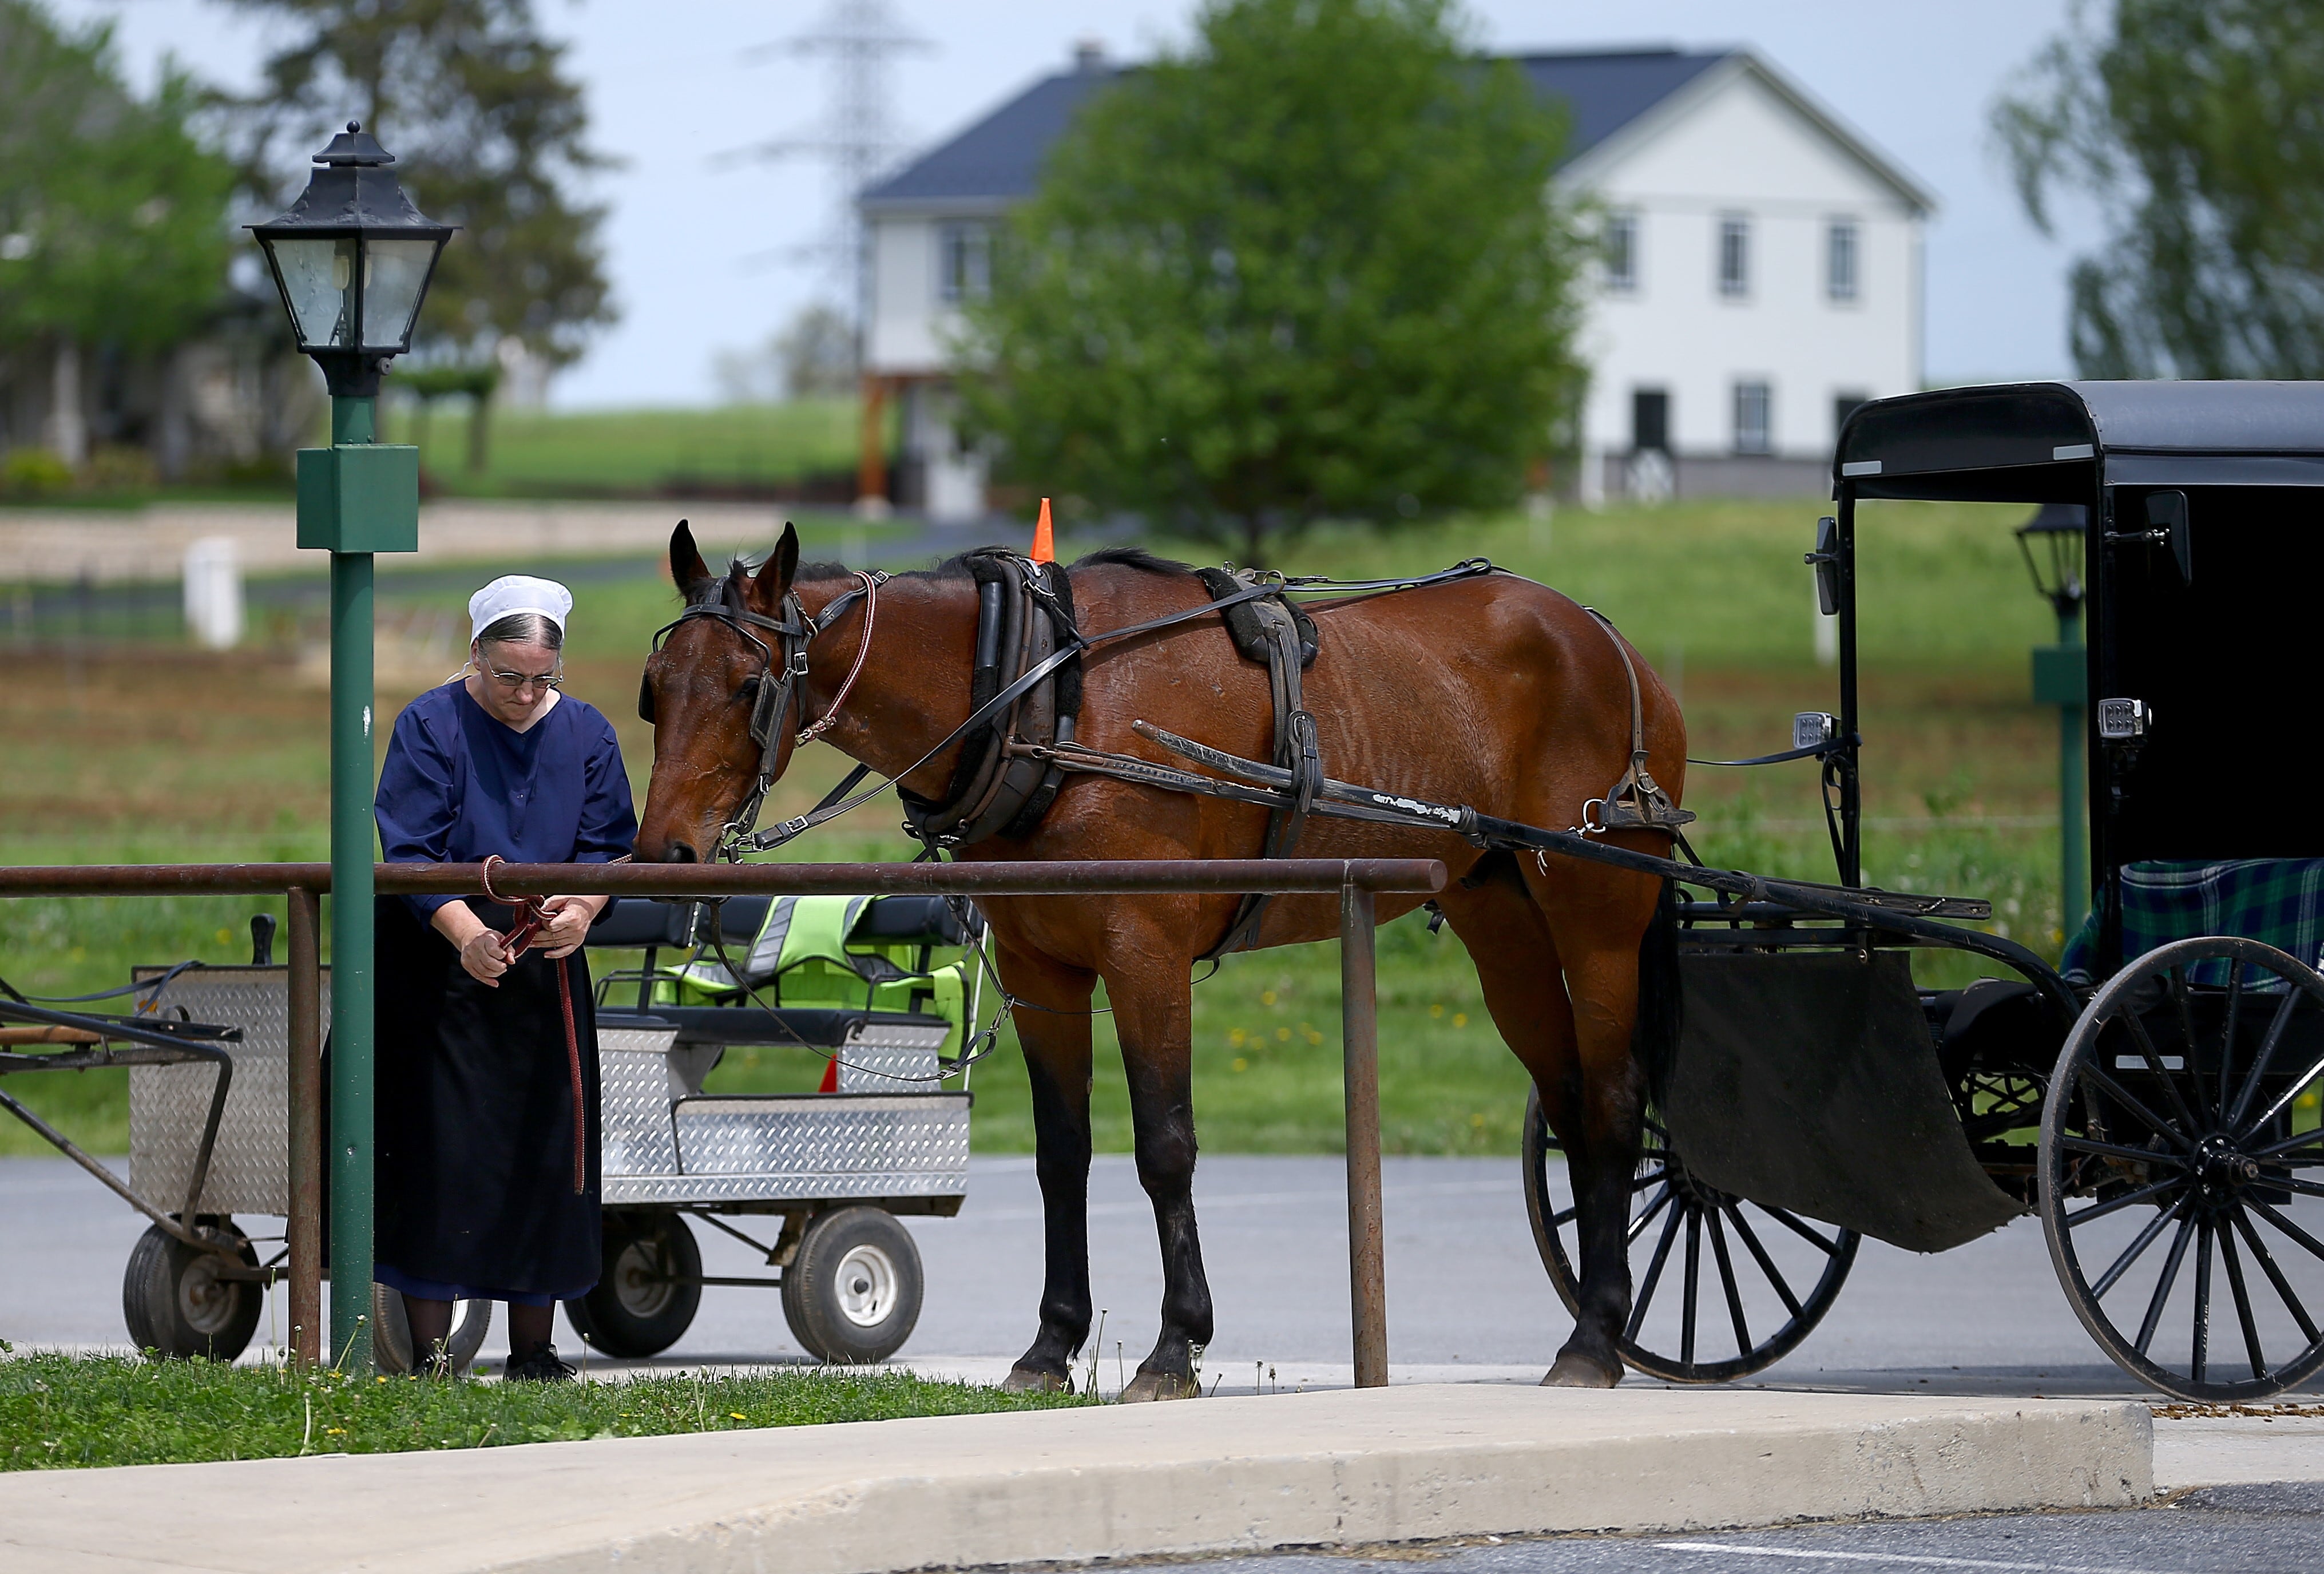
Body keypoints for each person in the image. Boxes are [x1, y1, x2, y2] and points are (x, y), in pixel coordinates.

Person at [372, 574, 637, 1379]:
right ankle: (428, 1355)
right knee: (439, 1155)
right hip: (438, 974)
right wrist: (463, 934)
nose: (524, 695)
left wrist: (583, 912)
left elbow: (610, 849)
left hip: (544, 975)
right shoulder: (429, 723)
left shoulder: (588, 734)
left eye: (540, 678)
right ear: (474, 659)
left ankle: (535, 1351)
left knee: (544, 1154)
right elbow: (410, 851)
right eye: (507, 677)